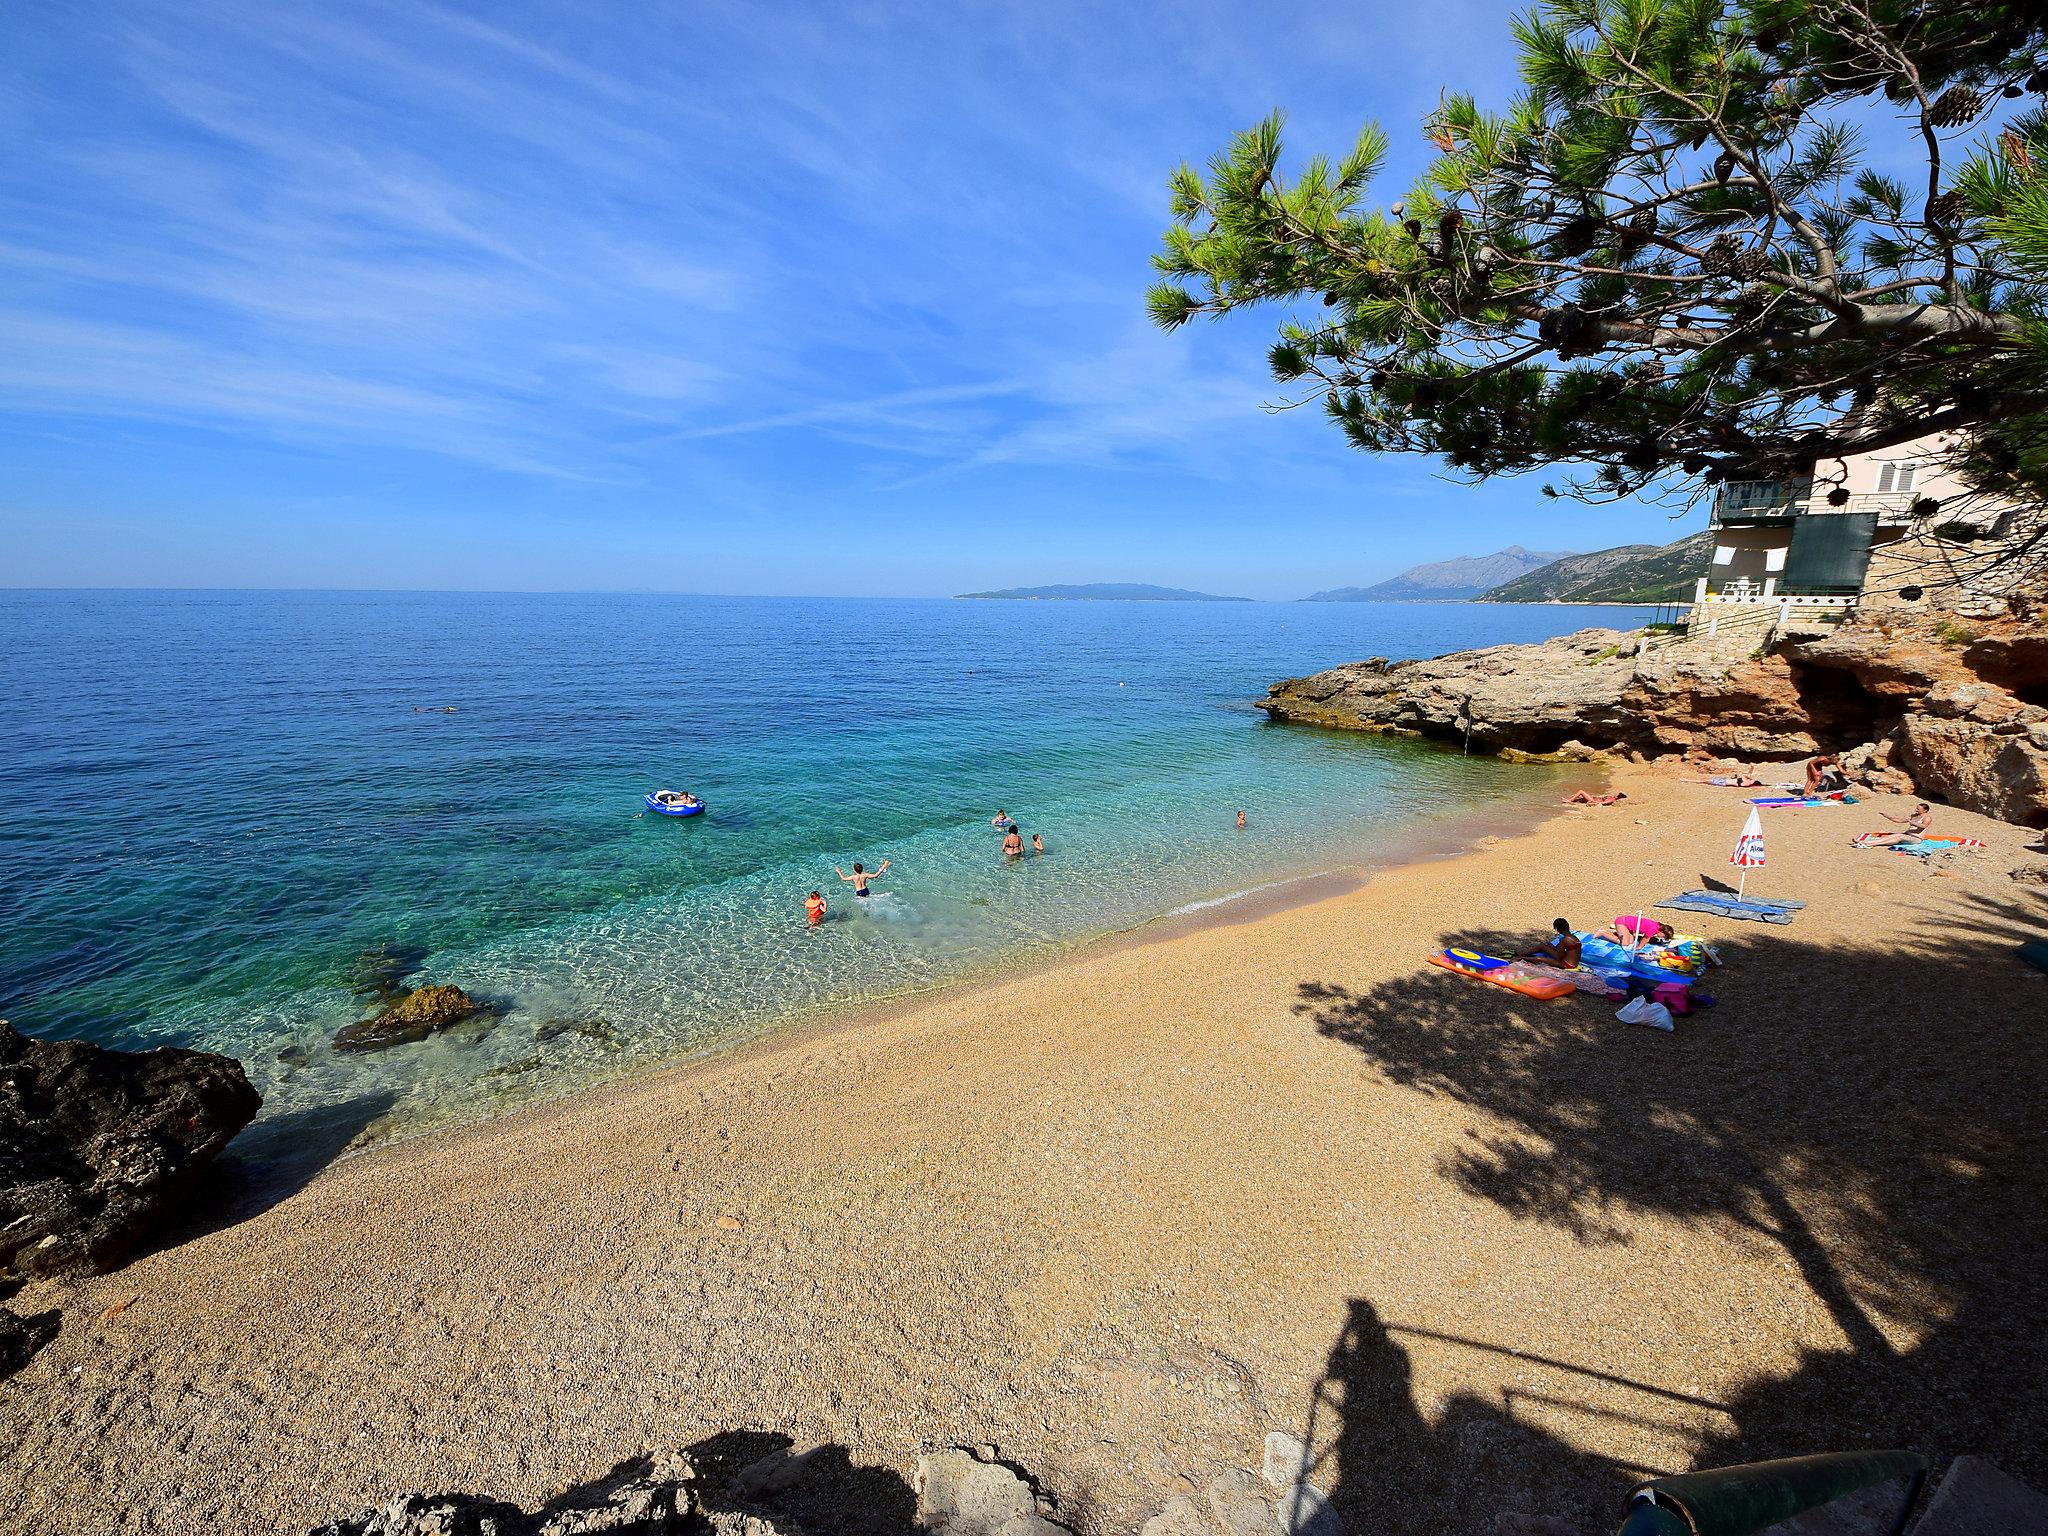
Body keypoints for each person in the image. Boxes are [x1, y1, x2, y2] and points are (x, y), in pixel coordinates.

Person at [1860, 802, 1933, 847]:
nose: (1916, 810)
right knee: (1892, 836)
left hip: (1916, 838)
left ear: (1925, 810)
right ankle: (1864, 842)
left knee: (1899, 837)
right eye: (1916, 808)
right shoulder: (1914, 816)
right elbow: (1900, 820)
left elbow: (1924, 826)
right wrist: (1888, 816)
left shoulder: (1927, 818)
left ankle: (1871, 844)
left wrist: (1912, 823)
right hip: (1907, 835)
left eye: (1918, 809)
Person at [1562, 789, 1627, 806]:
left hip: (1593, 800)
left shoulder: (1611, 799)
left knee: (1581, 792)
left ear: (1617, 795)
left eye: (1617, 793)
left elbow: (1603, 803)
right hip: (1593, 799)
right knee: (1579, 798)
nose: (1615, 793)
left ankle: (1569, 801)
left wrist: (1593, 803)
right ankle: (1569, 800)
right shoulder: (1611, 797)